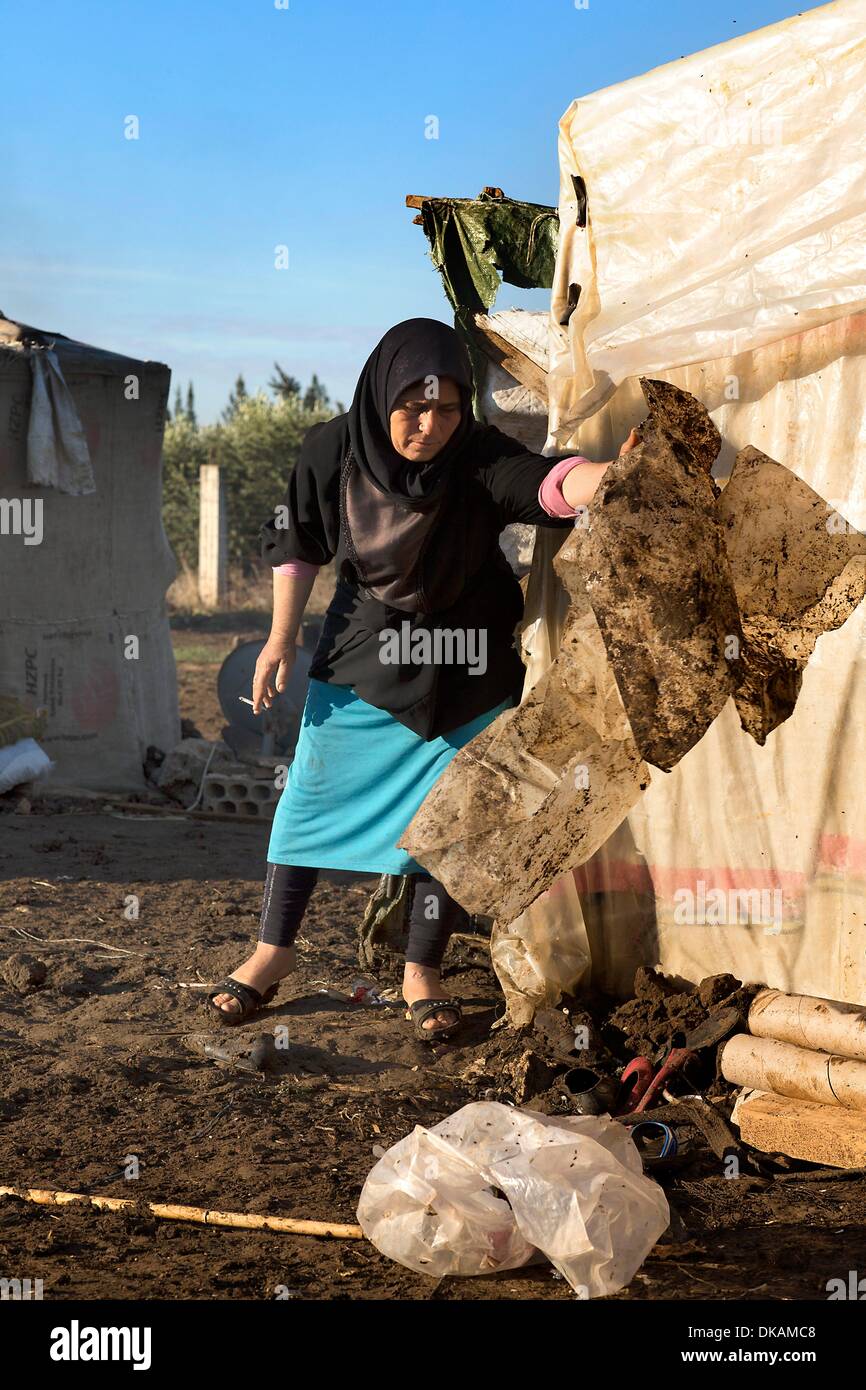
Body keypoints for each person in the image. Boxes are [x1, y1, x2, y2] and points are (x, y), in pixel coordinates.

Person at [207, 318, 637, 1038]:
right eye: (415, 407)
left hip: (467, 669)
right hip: (364, 655)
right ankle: (271, 954)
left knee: (449, 826)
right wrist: (280, 638)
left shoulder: (475, 455)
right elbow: (301, 547)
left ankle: (420, 974)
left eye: (446, 409)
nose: (431, 425)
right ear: (382, 397)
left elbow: (549, 484)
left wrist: (615, 479)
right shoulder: (331, 449)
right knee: (306, 803)